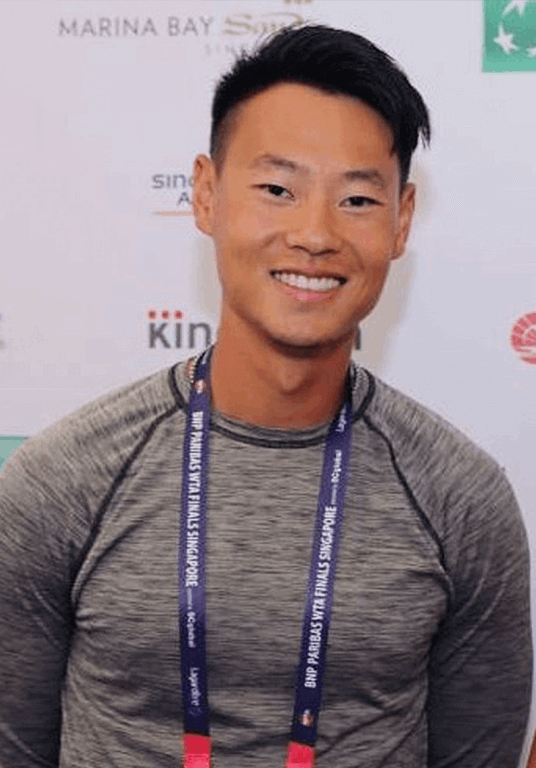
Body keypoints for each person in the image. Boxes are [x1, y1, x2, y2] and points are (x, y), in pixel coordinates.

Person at [0, 24, 531, 768]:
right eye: (278, 190)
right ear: (206, 195)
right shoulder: (62, 481)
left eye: (356, 199)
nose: (314, 234)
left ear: (402, 221)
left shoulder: (460, 499)